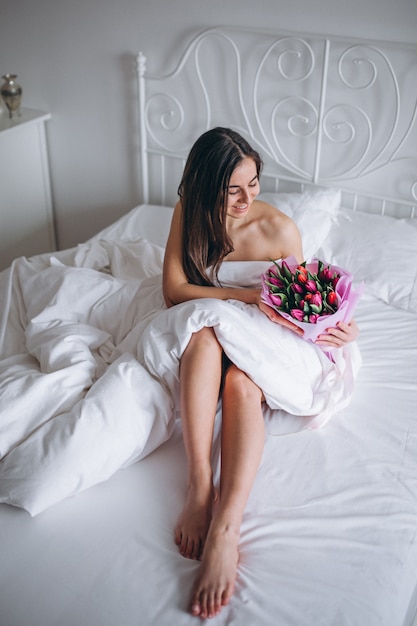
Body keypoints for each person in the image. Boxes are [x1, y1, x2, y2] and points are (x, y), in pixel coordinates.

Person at [162, 127, 359, 619]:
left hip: (268, 331)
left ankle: (227, 530)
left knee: (241, 382)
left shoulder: (279, 231)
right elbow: (173, 290)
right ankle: (199, 487)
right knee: (203, 339)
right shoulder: (189, 213)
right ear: (205, 186)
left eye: (254, 184)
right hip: (225, 313)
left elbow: (303, 302)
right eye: (233, 189)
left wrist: (337, 324)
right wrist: (244, 296)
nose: (248, 199)